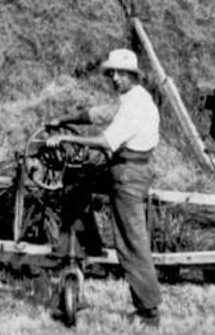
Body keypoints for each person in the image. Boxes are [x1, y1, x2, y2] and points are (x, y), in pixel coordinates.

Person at [46, 48, 162, 327]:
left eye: (119, 74)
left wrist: (64, 139)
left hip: (128, 175)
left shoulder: (136, 105)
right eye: (111, 73)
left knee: (131, 241)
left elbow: (106, 142)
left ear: (131, 75)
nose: (113, 78)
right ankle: (83, 249)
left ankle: (149, 312)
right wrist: (65, 120)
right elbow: (97, 114)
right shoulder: (133, 98)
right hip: (125, 168)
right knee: (76, 183)